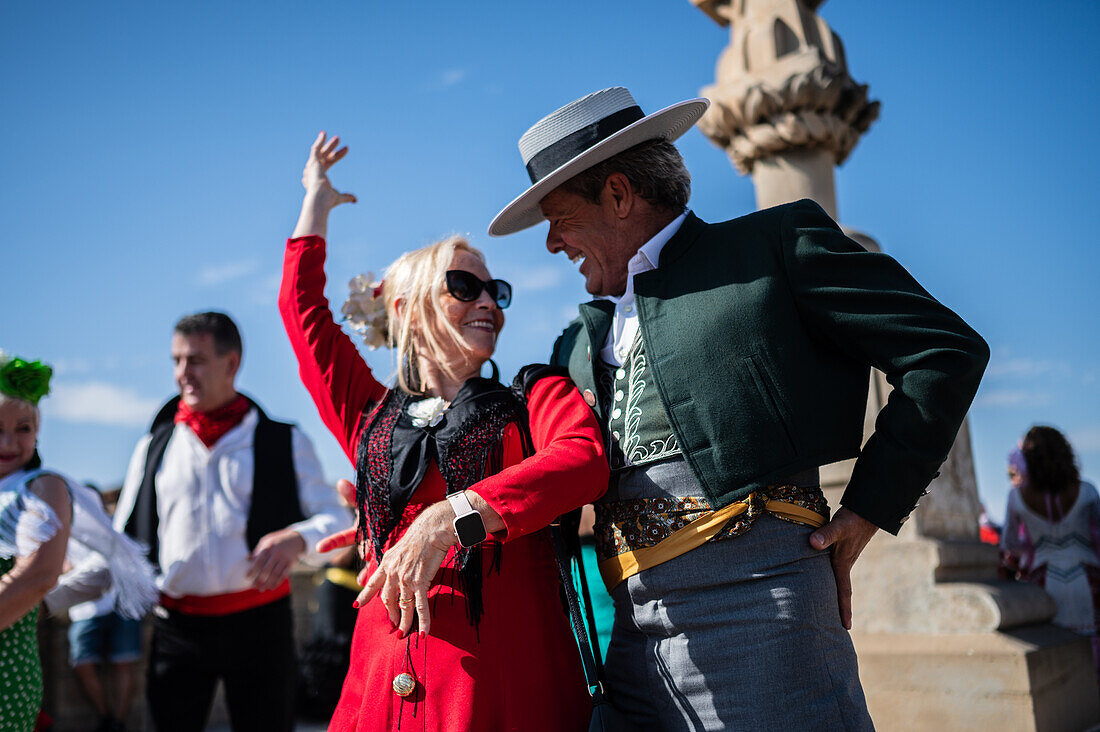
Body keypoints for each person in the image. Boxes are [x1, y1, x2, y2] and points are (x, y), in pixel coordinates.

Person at [489, 87, 990, 729]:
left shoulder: (775, 244)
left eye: (559, 218)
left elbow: (944, 351)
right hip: (631, 647)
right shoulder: (577, 341)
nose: (553, 244)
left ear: (618, 195)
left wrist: (868, 508)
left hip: (761, 619)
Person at [279, 132, 609, 730]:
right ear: (405, 309)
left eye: (495, 290)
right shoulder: (368, 413)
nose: (489, 301)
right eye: (464, 286)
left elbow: (582, 460)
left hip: (503, 686)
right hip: (380, 684)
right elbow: (304, 316)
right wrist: (316, 205)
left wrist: (450, 513)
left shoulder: (531, 396)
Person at [114, 312, 354, 731]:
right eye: (176, 361)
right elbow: (123, 538)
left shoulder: (285, 440)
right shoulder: (154, 446)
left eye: (195, 360)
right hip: (176, 629)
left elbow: (335, 519)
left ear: (232, 363)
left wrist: (297, 539)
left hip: (261, 624)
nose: (182, 374)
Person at [1, 353, 155, 732]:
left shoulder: (42, 487)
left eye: (23, 428)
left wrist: (42, 599)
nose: (8, 442)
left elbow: (38, 575)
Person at [1001, 426, 1099, 677]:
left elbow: (1009, 545)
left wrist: (1033, 549)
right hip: (1090, 580)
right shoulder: (1087, 491)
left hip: (1043, 580)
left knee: (1059, 661)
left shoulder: (1016, 498)